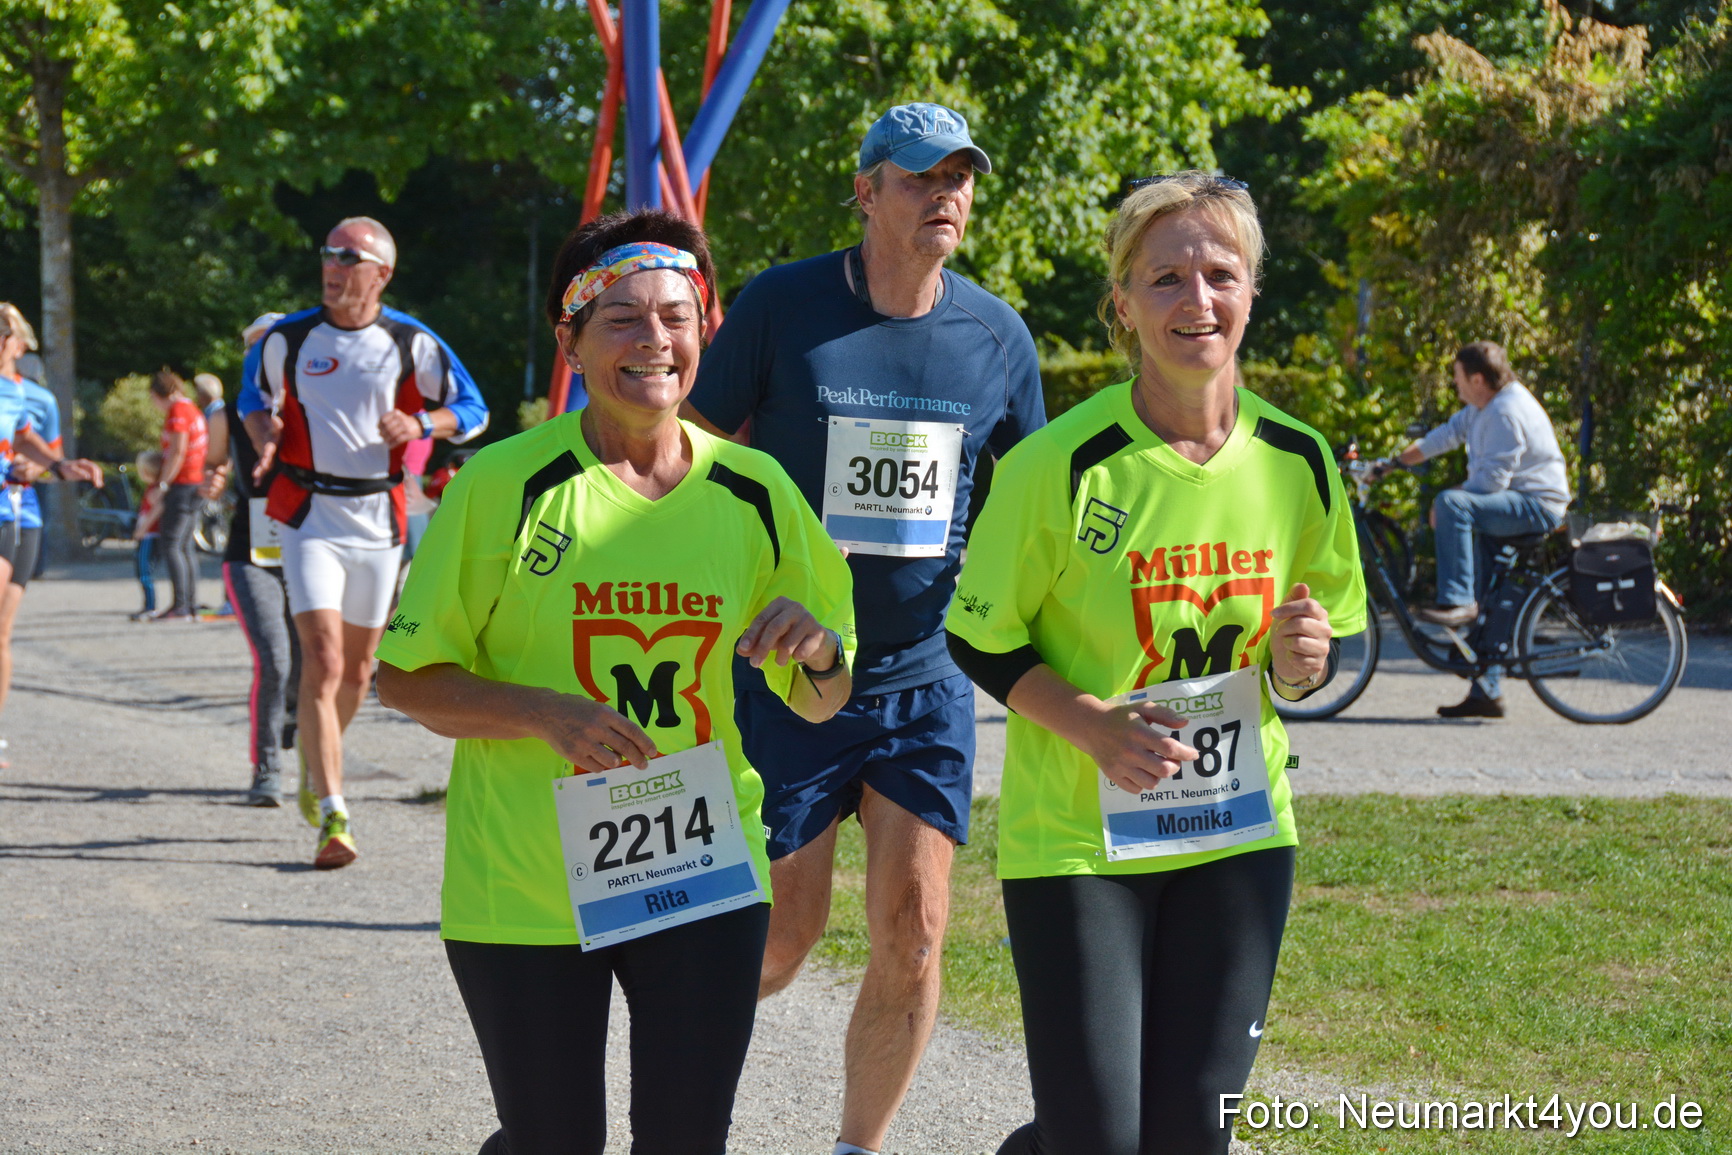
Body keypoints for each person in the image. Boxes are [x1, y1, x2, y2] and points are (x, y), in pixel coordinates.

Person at [375, 208, 857, 1155]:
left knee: (686, 1139)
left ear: (705, 330)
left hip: (701, 864)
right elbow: (406, 678)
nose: (655, 342)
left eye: (676, 316)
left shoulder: (757, 490)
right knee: (554, 1141)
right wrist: (543, 713)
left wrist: (820, 655)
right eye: (622, 320)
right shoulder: (503, 484)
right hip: (523, 878)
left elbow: (827, 692)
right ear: (572, 341)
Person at [945, 172, 1366, 1155]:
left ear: (1252, 290)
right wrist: (1092, 726)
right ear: (1122, 302)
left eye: (1220, 273)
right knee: (1097, 1140)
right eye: (1166, 278)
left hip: (1235, 834)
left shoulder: (1297, 460)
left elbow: (1308, 649)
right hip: (1079, 846)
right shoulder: (1061, 462)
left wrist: (1302, 663)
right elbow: (977, 631)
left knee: (1191, 1136)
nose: (1197, 300)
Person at [682, 101, 1046, 1155]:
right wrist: (744, 592)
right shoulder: (782, 306)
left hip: (920, 676)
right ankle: (680, 1078)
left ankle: (857, 1146)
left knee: (916, 934)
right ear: (867, 190)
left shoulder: (994, 336)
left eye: (961, 178)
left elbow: (1028, 504)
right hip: (786, 670)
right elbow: (693, 459)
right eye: (922, 178)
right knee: (785, 937)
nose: (946, 197)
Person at [238, 217, 489, 868]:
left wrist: (419, 420)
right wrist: (267, 436)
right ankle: (334, 812)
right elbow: (251, 396)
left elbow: (474, 408)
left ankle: (316, 767)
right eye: (327, 252)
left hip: (379, 515)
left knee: (358, 669)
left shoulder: (410, 340)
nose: (332, 264)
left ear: (382, 271)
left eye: (348, 256)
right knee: (320, 660)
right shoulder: (287, 337)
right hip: (309, 514)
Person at [1373, 341, 1569, 718]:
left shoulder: (1506, 411)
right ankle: (1487, 692)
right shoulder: (1482, 408)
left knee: (1452, 504)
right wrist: (1393, 464)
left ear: (1477, 378)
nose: (1455, 384)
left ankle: (1458, 600)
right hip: (1510, 503)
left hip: (1536, 506)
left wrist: (1448, 504)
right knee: (1492, 593)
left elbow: (1490, 484)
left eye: (1458, 377)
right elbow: (1441, 438)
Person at [0, 302, 104, 768]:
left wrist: (56, 467)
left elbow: (25, 441)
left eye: (5, 333)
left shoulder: (27, 398)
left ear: (19, 343)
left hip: (19, 514)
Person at [205, 313, 302, 805]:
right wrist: (214, 476)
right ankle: (267, 768)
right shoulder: (227, 412)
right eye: (255, 347)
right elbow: (216, 460)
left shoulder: (313, 407)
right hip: (251, 549)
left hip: (311, 546)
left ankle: (291, 714)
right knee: (274, 658)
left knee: (310, 663)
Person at [146, 368, 209, 621]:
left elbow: (177, 451)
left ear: (159, 394)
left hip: (183, 483)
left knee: (171, 543)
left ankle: (181, 605)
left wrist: (162, 485)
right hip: (196, 482)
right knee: (184, 544)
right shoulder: (191, 408)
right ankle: (188, 602)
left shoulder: (177, 412)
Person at [131, 451, 165, 620]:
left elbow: (156, 510)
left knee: (144, 572)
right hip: (148, 535)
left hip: (150, 536)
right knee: (143, 572)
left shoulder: (155, 491)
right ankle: (148, 604)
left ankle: (150, 606)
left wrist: (142, 529)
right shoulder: (153, 489)